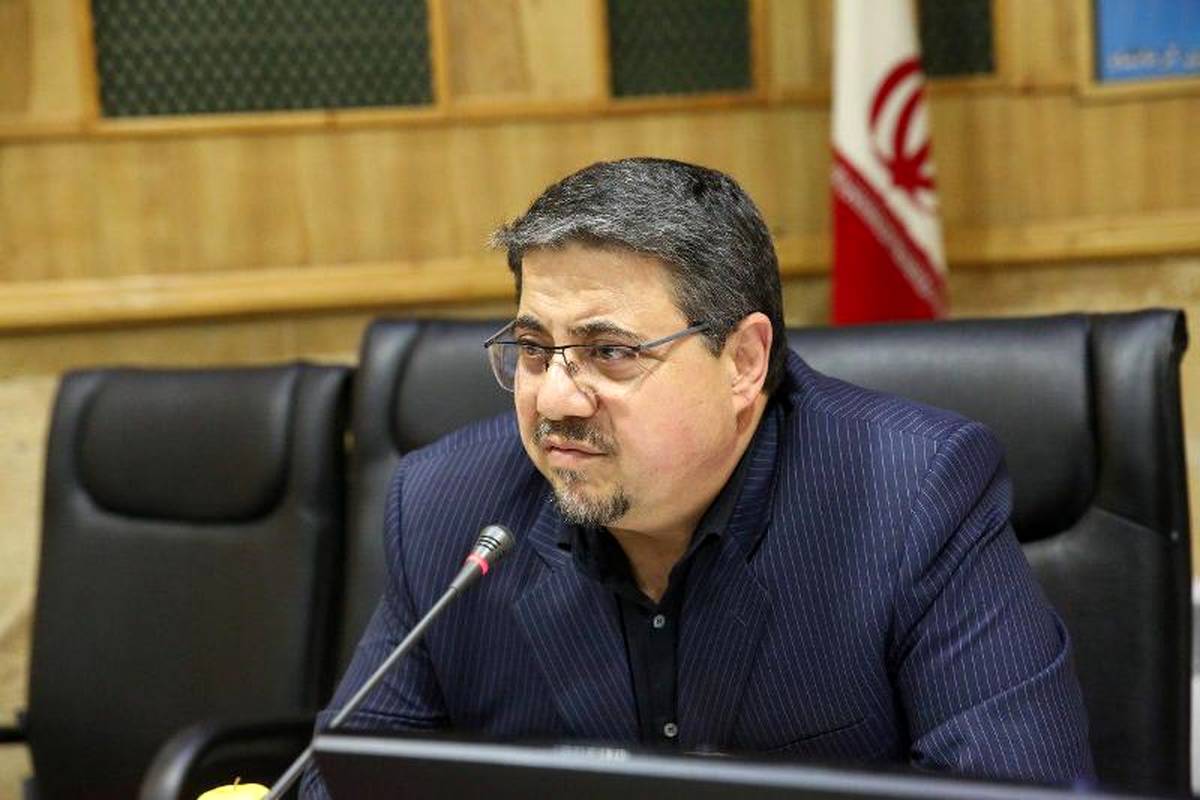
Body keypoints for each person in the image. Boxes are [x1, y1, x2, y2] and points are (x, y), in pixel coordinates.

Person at [300, 158, 1093, 797]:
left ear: (743, 361)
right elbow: (343, 785)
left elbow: (1016, 791)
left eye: (610, 352)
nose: (556, 398)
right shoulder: (447, 509)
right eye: (536, 349)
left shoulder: (913, 496)